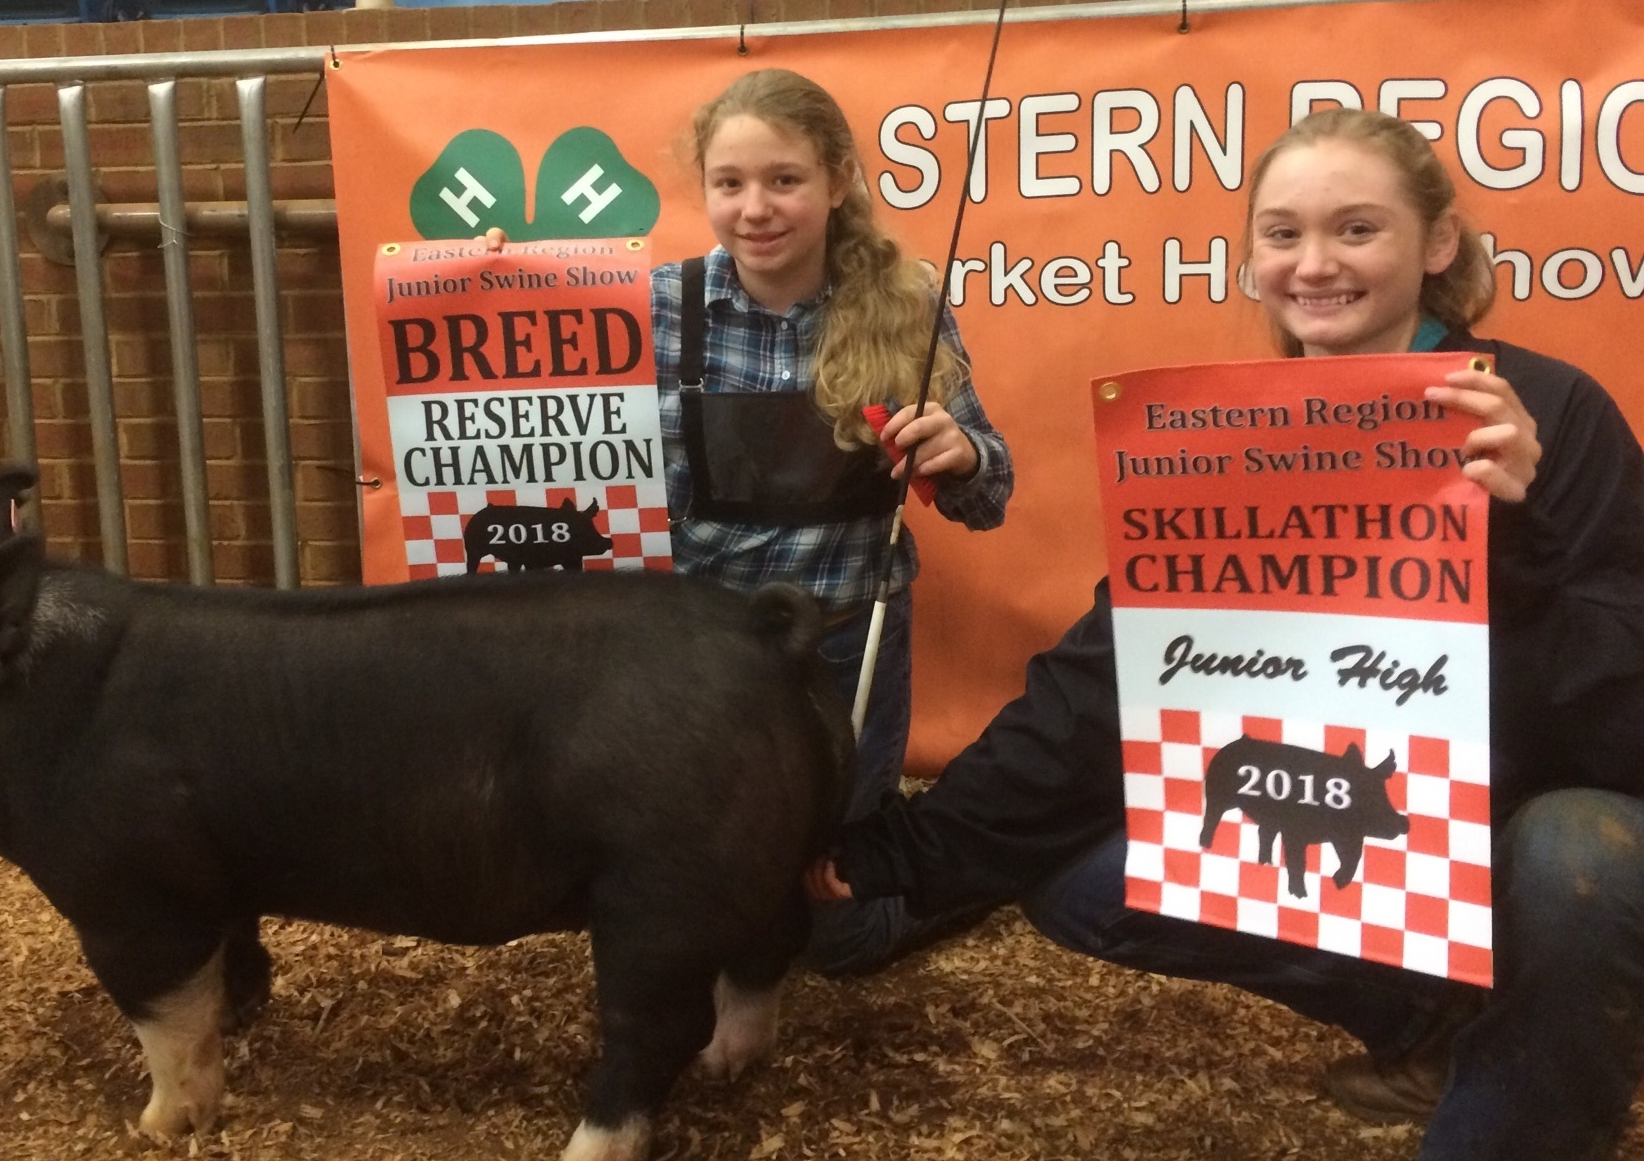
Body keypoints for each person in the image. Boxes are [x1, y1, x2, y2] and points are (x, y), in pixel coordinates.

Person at [809, 107, 1644, 1160]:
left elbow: (1623, 724)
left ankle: (1538, 1077)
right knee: (1078, 875)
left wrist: (1512, 547)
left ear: (1436, 246)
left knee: (1584, 853)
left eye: (1355, 229)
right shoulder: (1236, 436)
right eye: (1282, 234)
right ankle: (1435, 1020)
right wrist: (912, 854)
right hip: (1347, 802)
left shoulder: (1551, 412)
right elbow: (1106, 680)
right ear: (1250, 257)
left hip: (1519, 808)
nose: (1313, 265)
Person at [478, 69, 1013, 975]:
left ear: (837, 179)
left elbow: (988, 498)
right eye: (730, 184)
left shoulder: (904, 307)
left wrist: (960, 452)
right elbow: (537, 403)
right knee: (694, 863)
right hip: (695, 653)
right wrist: (482, 282)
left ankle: (966, 882)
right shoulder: (653, 305)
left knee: (834, 924)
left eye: (783, 180)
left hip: (845, 641)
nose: (755, 208)